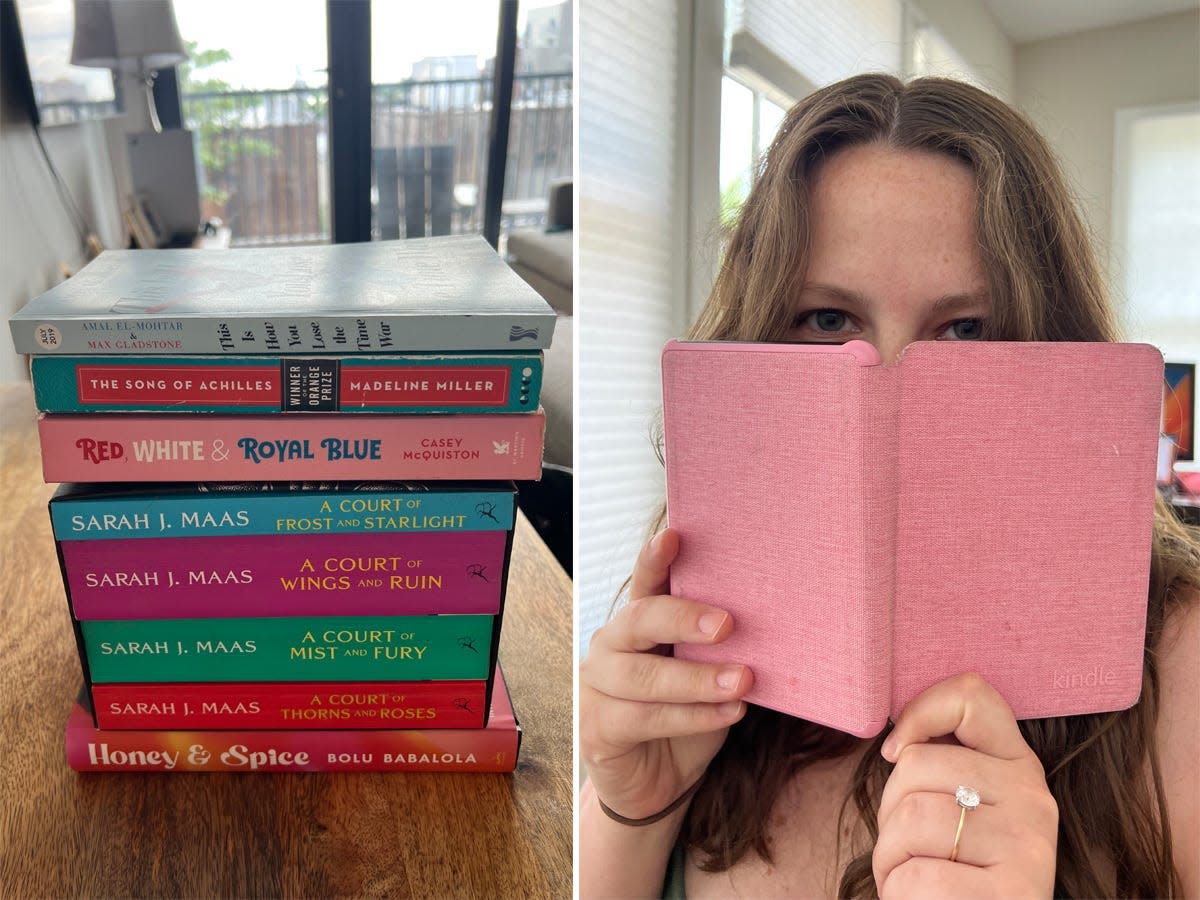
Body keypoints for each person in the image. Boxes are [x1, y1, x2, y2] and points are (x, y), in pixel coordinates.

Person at [578, 73, 1199, 899]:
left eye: (966, 329)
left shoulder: (1176, 657)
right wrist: (636, 811)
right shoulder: (703, 608)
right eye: (830, 321)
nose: (891, 393)